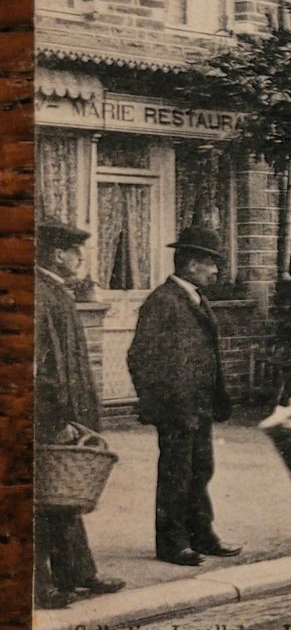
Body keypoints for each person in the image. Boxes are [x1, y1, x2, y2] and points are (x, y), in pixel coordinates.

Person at [128, 226, 240, 567]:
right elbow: (139, 358)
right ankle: (172, 543)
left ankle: (201, 534)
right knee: (176, 475)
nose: (216, 271)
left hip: (200, 405)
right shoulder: (162, 302)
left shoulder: (196, 298)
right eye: (211, 264)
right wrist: (164, 405)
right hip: (177, 409)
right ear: (191, 264)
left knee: (200, 470)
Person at [34, 221, 125, 608]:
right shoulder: (40, 293)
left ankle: (78, 573)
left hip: (56, 415)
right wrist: (58, 415)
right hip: (43, 416)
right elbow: (38, 366)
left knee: (63, 492)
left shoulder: (55, 291)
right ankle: (42, 586)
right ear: (58, 255)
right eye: (77, 252)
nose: (80, 259)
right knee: (40, 498)